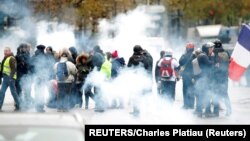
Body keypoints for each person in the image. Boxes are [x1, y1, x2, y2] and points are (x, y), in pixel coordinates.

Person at [212, 39, 231, 117]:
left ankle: (216, 112)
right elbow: (229, 62)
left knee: (215, 94)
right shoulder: (226, 53)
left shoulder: (214, 54)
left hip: (216, 77)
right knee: (225, 94)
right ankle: (229, 110)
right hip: (224, 77)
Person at [0, 47, 21, 111]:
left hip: (10, 78)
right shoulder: (5, 58)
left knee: (13, 92)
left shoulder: (11, 58)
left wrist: (11, 78)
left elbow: (14, 69)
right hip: (6, 78)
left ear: (9, 51)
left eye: (6, 51)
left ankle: (19, 105)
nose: (4, 52)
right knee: (2, 92)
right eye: (4, 51)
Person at [179, 42, 196, 109]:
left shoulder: (184, 55)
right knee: (192, 90)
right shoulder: (195, 56)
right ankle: (191, 105)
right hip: (193, 76)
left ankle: (186, 105)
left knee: (185, 90)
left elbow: (180, 62)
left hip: (186, 76)